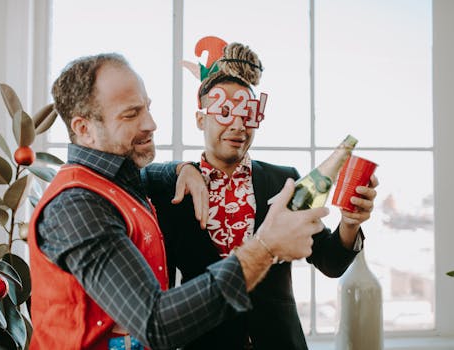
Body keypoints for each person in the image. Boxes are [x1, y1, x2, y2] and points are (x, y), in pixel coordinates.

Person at [27, 52, 331, 350]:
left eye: (147, 108)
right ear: (85, 129)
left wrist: (180, 169)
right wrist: (265, 247)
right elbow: (156, 324)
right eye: (132, 114)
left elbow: (147, 176)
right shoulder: (77, 205)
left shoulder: (121, 180)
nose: (151, 124)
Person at [143, 39, 379, 350]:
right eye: (225, 112)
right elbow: (138, 176)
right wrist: (179, 169)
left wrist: (349, 224)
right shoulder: (174, 191)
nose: (238, 124)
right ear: (201, 119)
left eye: (248, 113)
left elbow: (330, 262)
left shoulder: (284, 180)